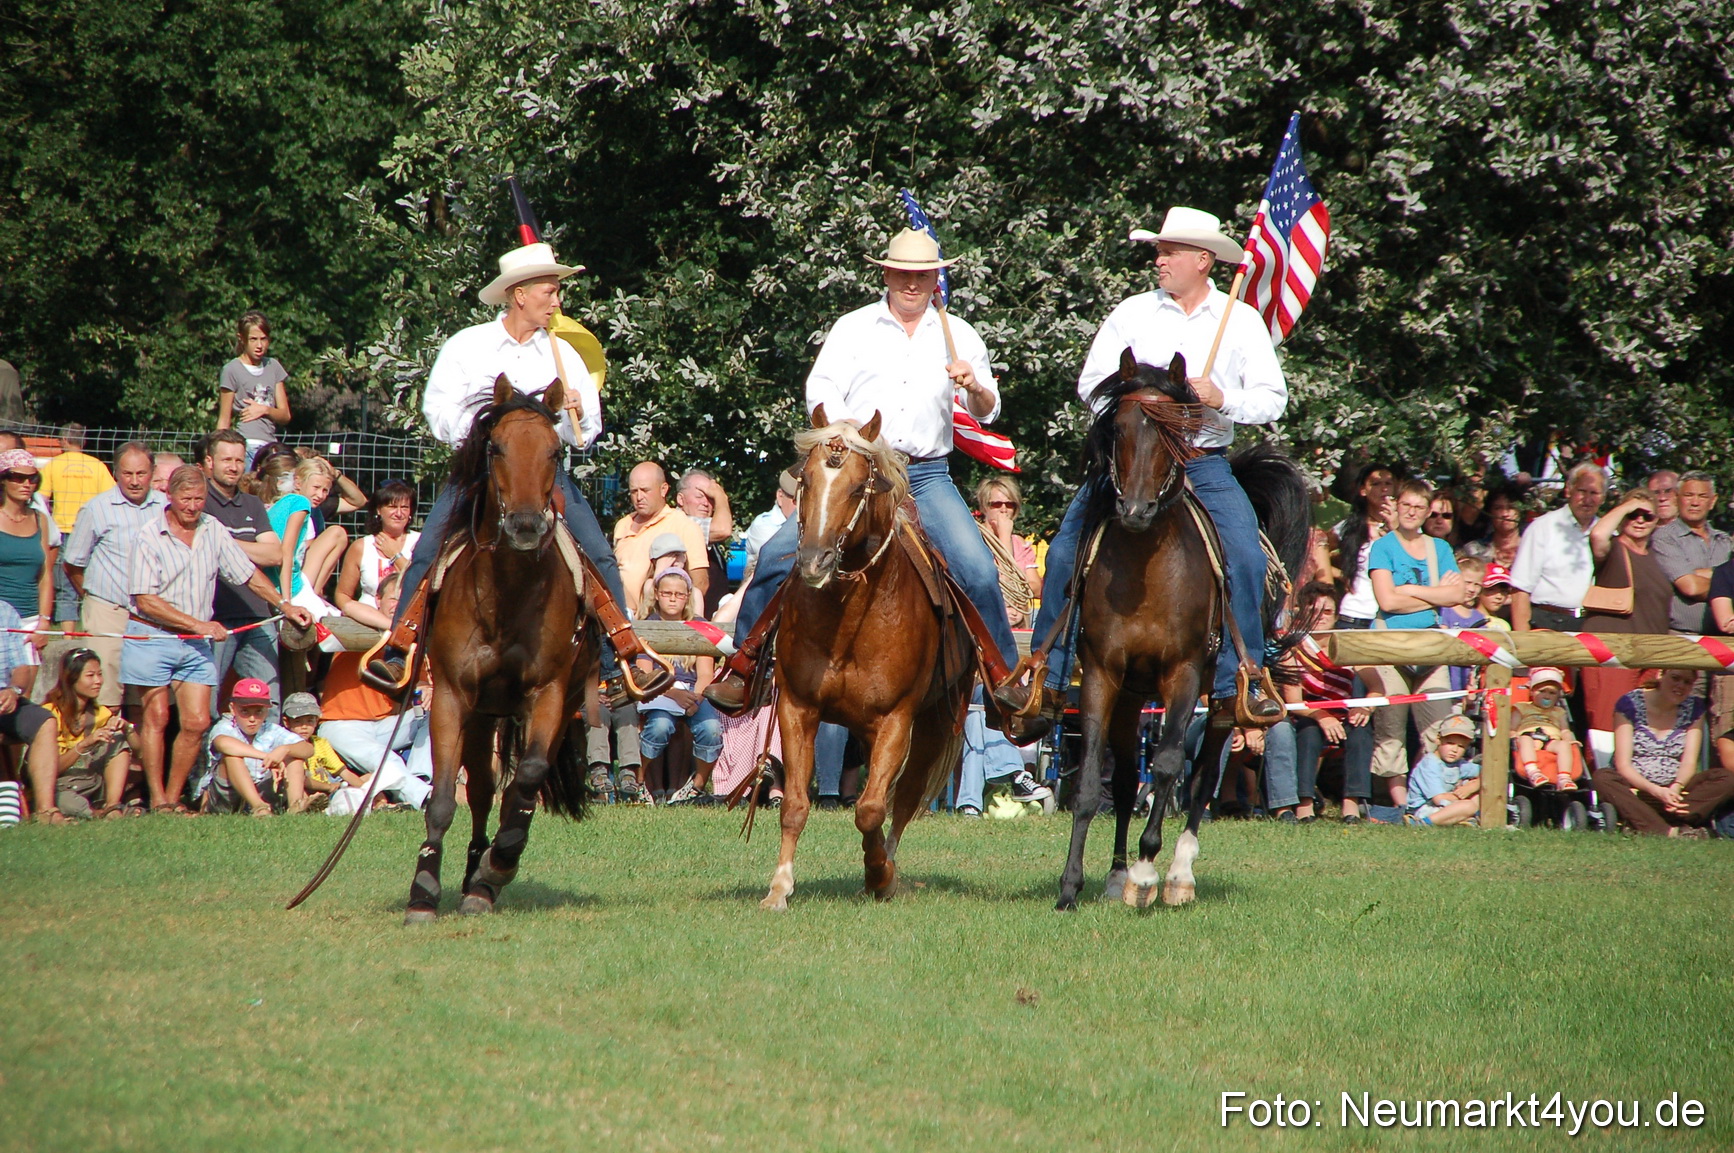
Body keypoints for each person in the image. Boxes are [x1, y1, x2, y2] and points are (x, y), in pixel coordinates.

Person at [707, 225, 1022, 729]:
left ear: (934, 279)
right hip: (858, 467)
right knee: (775, 555)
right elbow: (821, 386)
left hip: (924, 477)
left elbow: (986, 411)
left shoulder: (958, 334)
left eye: (921, 275)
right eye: (902, 273)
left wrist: (975, 386)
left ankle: (1005, 685)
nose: (911, 283)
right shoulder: (853, 326)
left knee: (978, 570)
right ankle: (746, 668)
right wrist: (841, 423)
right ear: (887, 274)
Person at [999, 207, 1288, 736]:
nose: (1159, 258)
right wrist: (1135, 406)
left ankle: (1239, 683)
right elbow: (1092, 384)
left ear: (1203, 260)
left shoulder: (1240, 320)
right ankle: (1045, 675)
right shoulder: (1132, 313)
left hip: (1202, 462)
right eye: (1158, 250)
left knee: (1245, 556)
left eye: (1169, 251)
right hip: (1133, 464)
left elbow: (1273, 400)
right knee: (1064, 549)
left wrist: (1223, 398)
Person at [367, 238, 667, 702]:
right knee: (427, 550)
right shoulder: (468, 346)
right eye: (550, 291)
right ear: (520, 293)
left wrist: (574, 414)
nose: (557, 300)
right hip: (480, 471)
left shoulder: (564, 356)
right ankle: (400, 649)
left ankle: (621, 661)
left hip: (547, 475)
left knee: (599, 556)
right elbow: (438, 410)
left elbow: (587, 431)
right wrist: (492, 428)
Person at [125, 466, 313, 813]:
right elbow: (145, 600)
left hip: (194, 640)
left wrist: (284, 605)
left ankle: (174, 796)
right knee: (157, 718)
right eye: (186, 499)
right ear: (170, 496)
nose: (193, 506)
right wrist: (198, 624)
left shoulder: (214, 531)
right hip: (151, 635)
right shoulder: (149, 535)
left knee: (197, 721)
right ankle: (158, 799)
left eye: (199, 499)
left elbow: (247, 575)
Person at [1364, 478, 1463, 807]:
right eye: (1406, 505)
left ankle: (1429, 796)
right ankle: (1400, 803)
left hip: (1431, 645)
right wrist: (1435, 598)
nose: (1411, 512)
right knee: (1391, 729)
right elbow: (1387, 602)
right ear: (1397, 505)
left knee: (1438, 726)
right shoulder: (1383, 546)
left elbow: (1457, 594)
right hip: (1391, 644)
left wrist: (1409, 591)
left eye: (1419, 507)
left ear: (1427, 511)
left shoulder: (1440, 548)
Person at [61, 442, 166, 711]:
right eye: (127, 474)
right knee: (105, 694)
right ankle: (104, 751)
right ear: (115, 472)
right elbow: (73, 563)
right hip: (109, 610)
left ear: (152, 472)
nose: (134, 481)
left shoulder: (166, 508)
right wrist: (94, 596)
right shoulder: (96, 509)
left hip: (153, 615)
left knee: (148, 699)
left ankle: (138, 753)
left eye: (141, 473)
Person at [319, 577, 433, 811]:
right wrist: (394, 628)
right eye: (393, 598)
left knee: (436, 716)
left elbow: (421, 683)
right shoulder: (358, 623)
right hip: (341, 724)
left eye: (405, 601)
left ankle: (419, 781)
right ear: (377, 600)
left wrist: (428, 689)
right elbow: (348, 604)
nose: (398, 605)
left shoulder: (411, 643)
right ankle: (425, 799)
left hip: (384, 725)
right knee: (387, 760)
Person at [1269, 583, 1374, 822]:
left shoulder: (1349, 644)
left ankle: (1351, 807)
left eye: (1327, 612)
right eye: (1313, 611)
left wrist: (1365, 706)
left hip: (1344, 714)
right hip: (1307, 715)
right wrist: (1322, 716)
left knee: (1360, 731)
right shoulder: (1293, 648)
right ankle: (1304, 806)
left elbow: (1378, 688)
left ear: (1337, 615)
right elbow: (1294, 700)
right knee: (1308, 733)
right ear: (1302, 613)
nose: (1320, 617)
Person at [201, 431, 286, 716]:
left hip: (258, 614)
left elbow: (275, 554)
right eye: (227, 459)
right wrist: (250, 547)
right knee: (207, 704)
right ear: (210, 461)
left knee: (268, 700)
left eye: (239, 460)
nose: (234, 466)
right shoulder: (199, 502)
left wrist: (223, 542)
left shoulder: (252, 504)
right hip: (215, 618)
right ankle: (209, 760)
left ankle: (269, 759)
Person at [1593, 669, 1734, 836]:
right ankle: (1666, 829)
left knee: (1727, 778)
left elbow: (1689, 762)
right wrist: (1656, 791)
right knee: (1603, 777)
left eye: (1687, 682)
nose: (1680, 686)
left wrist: (1676, 786)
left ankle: (1649, 821)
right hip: (1636, 784)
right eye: (1675, 678)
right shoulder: (1629, 703)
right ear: (1660, 674)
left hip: (1676, 788)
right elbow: (1623, 764)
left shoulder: (1694, 708)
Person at [1579, 489, 1671, 738]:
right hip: (1612, 652)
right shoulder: (1614, 549)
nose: (1640, 520)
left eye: (1647, 515)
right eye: (1633, 515)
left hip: (1650, 656)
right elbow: (1598, 534)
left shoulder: (1656, 556)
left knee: (1642, 732)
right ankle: (1603, 778)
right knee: (1607, 727)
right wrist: (1627, 505)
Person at [635, 568, 723, 805]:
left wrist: (696, 698)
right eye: (667, 593)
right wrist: (674, 694)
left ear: (687, 597)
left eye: (679, 594)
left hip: (694, 692)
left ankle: (696, 787)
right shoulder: (647, 626)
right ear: (657, 594)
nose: (672, 598)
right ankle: (640, 783)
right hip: (659, 690)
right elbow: (645, 674)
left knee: (711, 728)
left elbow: (706, 673)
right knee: (660, 726)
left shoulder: (701, 626)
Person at [1509, 463, 1606, 631]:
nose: (1588, 499)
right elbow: (1520, 589)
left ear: (1603, 497)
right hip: (1548, 623)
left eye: (1594, 493)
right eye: (1582, 491)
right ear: (1569, 490)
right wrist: (1522, 643)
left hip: (1593, 624)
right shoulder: (1543, 528)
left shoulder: (1608, 533)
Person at [42, 648, 137, 819]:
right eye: (90, 675)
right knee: (64, 801)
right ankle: (96, 814)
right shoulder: (49, 715)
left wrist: (126, 728)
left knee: (117, 739)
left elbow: (141, 752)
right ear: (71, 678)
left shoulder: (101, 713)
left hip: (92, 781)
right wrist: (84, 744)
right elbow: (49, 770)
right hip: (60, 785)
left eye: (100, 674)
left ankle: (112, 805)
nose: (98, 681)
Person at [39, 423, 114, 628]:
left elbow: (43, 499)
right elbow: (110, 498)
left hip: (63, 530)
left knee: (65, 586)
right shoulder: (97, 465)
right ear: (84, 441)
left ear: (64, 441)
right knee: (94, 584)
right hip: (93, 532)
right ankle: (92, 628)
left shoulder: (54, 465)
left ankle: (68, 634)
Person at [204, 678, 314, 815]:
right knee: (232, 756)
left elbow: (308, 749)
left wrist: (285, 749)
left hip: (263, 789)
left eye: (258, 712)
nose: (252, 718)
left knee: (295, 756)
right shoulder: (226, 726)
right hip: (226, 797)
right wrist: (268, 757)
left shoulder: (269, 728)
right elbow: (223, 743)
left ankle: (296, 806)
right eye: (245, 711)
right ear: (232, 709)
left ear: (266, 711)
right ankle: (259, 807)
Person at [0, 596, 65, 823]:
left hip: (3, 698)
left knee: (44, 722)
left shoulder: (5, 612)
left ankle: (46, 810)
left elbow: (21, 668)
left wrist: (14, 690)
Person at [614, 462, 711, 607]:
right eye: (634, 491)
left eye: (645, 490)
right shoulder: (622, 525)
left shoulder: (684, 526)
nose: (639, 497)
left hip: (658, 623)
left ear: (663, 489)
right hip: (621, 618)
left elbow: (700, 584)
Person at [1648, 471, 1729, 637]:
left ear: (1712, 501)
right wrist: (1726, 581)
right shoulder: (1665, 537)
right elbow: (1690, 587)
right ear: (1677, 498)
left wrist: (1700, 574)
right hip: (1680, 638)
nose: (1695, 502)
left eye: (1702, 496)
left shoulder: (1725, 541)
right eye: (1688, 495)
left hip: (1724, 639)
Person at [333, 480, 419, 630]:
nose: (399, 513)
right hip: (369, 623)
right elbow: (342, 595)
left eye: (404, 507)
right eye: (392, 507)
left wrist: (395, 555)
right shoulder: (361, 546)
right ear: (379, 510)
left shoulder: (421, 542)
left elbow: (422, 581)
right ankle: (391, 628)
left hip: (410, 620)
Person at [263, 456, 346, 612]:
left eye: (325, 490)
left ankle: (313, 594)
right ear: (298, 483)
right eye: (316, 487)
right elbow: (286, 552)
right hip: (287, 586)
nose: (321, 495)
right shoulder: (300, 503)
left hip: (287, 580)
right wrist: (286, 602)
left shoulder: (286, 503)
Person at [0, 448, 53, 665]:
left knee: (24, 696)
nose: (26, 484)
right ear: (3, 480)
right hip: (2, 618)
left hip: (29, 619)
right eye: (18, 477)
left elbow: (46, 576)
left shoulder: (40, 519)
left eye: (32, 478)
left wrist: (44, 621)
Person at [216, 310, 292, 462]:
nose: (259, 345)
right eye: (253, 339)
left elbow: (285, 415)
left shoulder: (274, 366)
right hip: (246, 444)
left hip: (270, 446)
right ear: (242, 339)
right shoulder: (232, 369)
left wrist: (264, 409)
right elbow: (224, 420)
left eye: (263, 339)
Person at [976, 476, 1040, 629]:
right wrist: (1004, 536)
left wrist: (1013, 595)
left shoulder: (1020, 543)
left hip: (1019, 620)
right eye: (996, 504)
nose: (1004, 509)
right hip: (985, 620)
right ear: (985, 507)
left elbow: (1036, 587)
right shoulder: (975, 540)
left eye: (1009, 504)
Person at [1512, 667, 1583, 790]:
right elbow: (1512, 728)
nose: (1547, 696)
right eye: (1542, 691)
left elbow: (1564, 730)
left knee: (1564, 746)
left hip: (1551, 739)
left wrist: (1569, 740)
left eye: (1552, 693)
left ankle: (1564, 778)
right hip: (1529, 737)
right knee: (1525, 739)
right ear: (1532, 692)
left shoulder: (1559, 712)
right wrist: (1513, 736)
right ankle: (1533, 772)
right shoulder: (1522, 707)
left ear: (1558, 696)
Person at [675, 469, 735, 615]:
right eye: (699, 496)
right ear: (681, 499)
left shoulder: (703, 527)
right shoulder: (682, 523)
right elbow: (723, 529)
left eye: (711, 498)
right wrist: (721, 497)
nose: (706, 503)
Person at [1404, 714, 1481, 826]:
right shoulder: (1429, 764)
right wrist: (1462, 796)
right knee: (1469, 805)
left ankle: (1462, 819)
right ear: (1438, 740)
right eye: (1450, 743)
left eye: (1461, 746)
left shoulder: (1459, 764)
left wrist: (1473, 786)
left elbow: (1486, 773)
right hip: (1424, 809)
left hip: (1445, 805)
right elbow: (1439, 799)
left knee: (1478, 796)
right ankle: (1421, 823)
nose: (1454, 750)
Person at [740, 467, 798, 583]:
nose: (800, 506)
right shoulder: (763, 525)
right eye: (795, 500)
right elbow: (779, 561)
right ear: (780, 496)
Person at [1479, 485, 1525, 571]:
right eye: (1498, 508)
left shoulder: (1532, 547)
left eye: (1511, 507)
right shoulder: (1474, 549)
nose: (1505, 514)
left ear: (1520, 511)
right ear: (1490, 512)